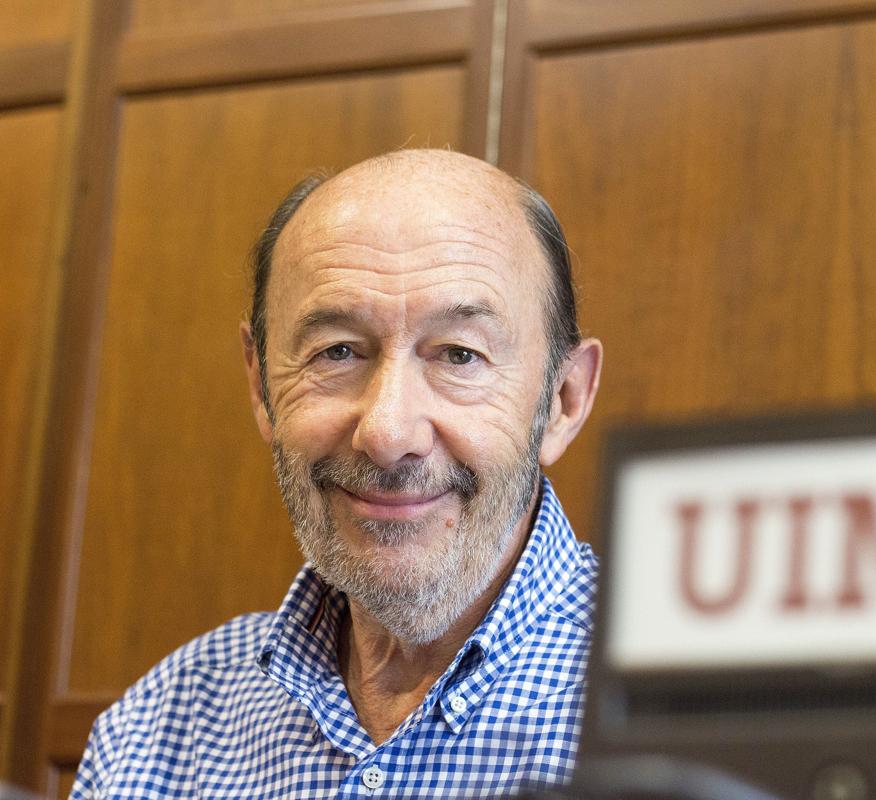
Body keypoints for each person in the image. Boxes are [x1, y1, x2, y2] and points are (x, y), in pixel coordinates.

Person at [71, 150, 604, 798]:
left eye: (460, 354)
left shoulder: (683, 707)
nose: (386, 433)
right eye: (338, 352)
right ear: (261, 384)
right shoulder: (154, 738)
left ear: (564, 400)